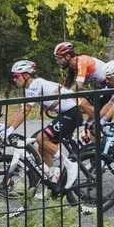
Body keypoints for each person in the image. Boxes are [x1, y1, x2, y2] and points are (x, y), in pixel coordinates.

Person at [8, 59, 81, 191]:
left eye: (16, 76)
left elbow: (26, 111)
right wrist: (6, 127)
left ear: (25, 75)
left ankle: (70, 165)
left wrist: (11, 129)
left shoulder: (35, 84)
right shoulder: (32, 86)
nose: (14, 79)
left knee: (41, 138)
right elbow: (20, 111)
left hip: (71, 113)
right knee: (42, 147)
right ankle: (52, 182)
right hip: (66, 113)